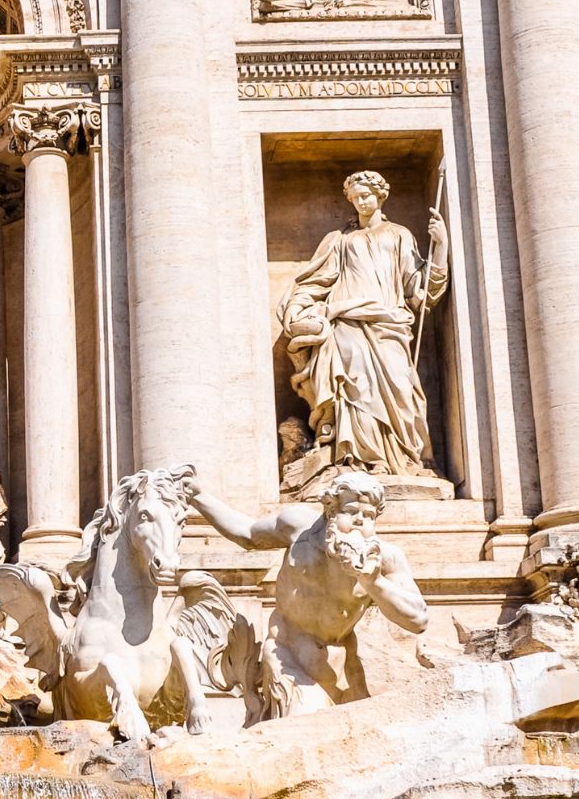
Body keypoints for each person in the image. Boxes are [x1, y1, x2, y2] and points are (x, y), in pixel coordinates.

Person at [188, 471, 428, 717]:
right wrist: (198, 496)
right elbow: (248, 533)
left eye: (368, 516)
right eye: (351, 511)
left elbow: (418, 620)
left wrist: (373, 582)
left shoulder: (385, 559)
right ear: (330, 511)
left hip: (343, 667)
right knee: (305, 722)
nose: (359, 521)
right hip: (288, 658)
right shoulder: (298, 528)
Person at [277, 170, 447, 491]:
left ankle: (402, 458)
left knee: (400, 385)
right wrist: (298, 307)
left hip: (389, 322)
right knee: (354, 384)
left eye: (366, 195)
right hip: (346, 321)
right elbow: (316, 281)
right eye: (355, 198)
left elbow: (420, 290)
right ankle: (358, 459)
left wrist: (440, 246)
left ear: (380, 195)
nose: (360, 202)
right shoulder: (339, 240)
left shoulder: (399, 235)